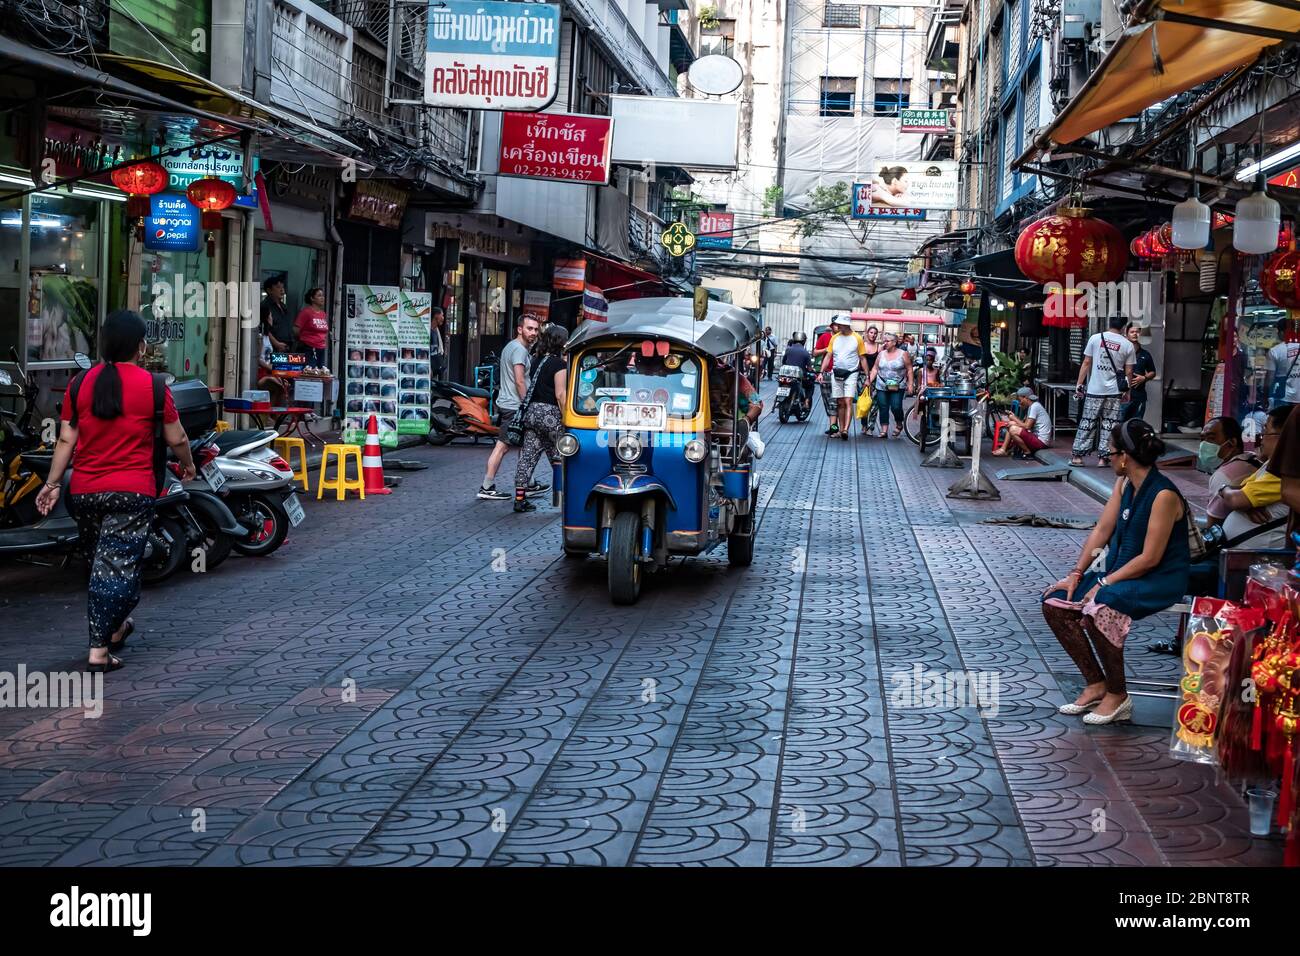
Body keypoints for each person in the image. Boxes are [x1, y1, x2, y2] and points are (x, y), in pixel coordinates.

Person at [34, 311, 197, 673]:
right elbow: (177, 437)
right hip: (132, 491)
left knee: (100, 566)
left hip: (86, 492)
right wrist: (187, 465)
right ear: (140, 347)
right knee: (119, 569)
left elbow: (66, 438)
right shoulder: (153, 386)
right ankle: (99, 651)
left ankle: (115, 628)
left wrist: (53, 483)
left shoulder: (81, 384)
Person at [1042, 419, 1190, 724]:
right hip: (1121, 574)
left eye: (1110, 453)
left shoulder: (1164, 495)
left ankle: (1118, 694)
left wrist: (1105, 583)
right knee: (1055, 602)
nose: (1108, 459)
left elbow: (1150, 559)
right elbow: (1102, 530)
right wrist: (1076, 573)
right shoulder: (1125, 484)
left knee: (1101, 606)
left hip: (1158, 579)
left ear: (1124, 457)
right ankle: (1096, 684)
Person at [478, 315, 546, 501]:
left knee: (526, 445)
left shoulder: (512, 347)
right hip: (514, 406)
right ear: (519, 329)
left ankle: (528, 484)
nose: (533, 333)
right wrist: (526, 405)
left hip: (511, 404)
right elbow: (519, 380)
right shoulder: (519, 350)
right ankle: (486, 486)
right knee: (502, 447)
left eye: (535, 329)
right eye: (529, 328)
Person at [512, 325, 568, 514]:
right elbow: (560, 394)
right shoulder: (559, 364)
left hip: (532, 412)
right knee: (563, 453)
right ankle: (563, 497)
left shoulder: (536, 360)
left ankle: (519, 499)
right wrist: (567, 416)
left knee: (528, 456)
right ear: (561, 342)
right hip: (550, 413)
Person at [1070, 315, 1135, 467]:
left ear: (1108, 324)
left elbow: (1086, 362)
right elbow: (1129, 371)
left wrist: (1079, 384)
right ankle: (1103, 459)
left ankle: (1078, 457)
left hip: (1094, 390)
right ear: (1124, 328)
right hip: (1114, 392)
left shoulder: (1095, 338)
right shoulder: (1127, 345)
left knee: (1087, 422)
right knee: (1110, 425)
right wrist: (1128, 391)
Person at [816, 316, 867, 440]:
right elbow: (828, 356)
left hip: (852, 372)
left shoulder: (857, 338)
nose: (838, 326)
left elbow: (862, 358)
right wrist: (821, 372)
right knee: (839, 402)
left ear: (846, 325)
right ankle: (840, 428)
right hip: (836, 373)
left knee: (848, 401)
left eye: (840, 324)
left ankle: (845, 430)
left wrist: (867, 376)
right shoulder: (835, 338)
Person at [869, 331, 914, 439]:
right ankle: (884, 430)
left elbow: (909, 369)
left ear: (894, 342)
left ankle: (899, 424)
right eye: (884, 341)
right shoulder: (881, 354)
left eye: (887, 341)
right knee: (883, 406)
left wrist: (911, 384)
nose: (885, 343)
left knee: (896, 406)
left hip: (898, 385)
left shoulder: (903, 354)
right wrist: (869, 380)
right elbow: (875, 368)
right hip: (882, 384)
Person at [993, 385, 1052, 458]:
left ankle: (1027, 453)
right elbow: (1024, 424)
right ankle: (1003, 449)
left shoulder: (1034, 407)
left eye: (1020, 400)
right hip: (1037, 438)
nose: (1019, 402)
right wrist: (1014, 419)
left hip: (1041, 442)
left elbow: (1027, 426)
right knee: (1012, 425)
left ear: (1026, 398)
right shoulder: (1032, 406)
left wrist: (1014, 418)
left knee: (1013, 429)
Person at [1121, 323, 1157, 422]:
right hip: (1122, 397)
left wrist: (1144, 378)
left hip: (1139, 397)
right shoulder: (1121, 352)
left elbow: (1153, 372)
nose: (1135, 334)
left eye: (1137, 332)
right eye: (1132, 332)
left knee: (1136, 425)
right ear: (1126, 334)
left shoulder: (1145, 354)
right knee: (1119, 425)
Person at [294, 287, 329, 370]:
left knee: (320, 372)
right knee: (309, 372)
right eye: (319, 296)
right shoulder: (306, 312)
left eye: (323, 296)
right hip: (309, 348)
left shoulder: (323, 314)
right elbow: (296, 329)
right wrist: (304, 339)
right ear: (312, 298)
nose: (322, 298)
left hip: (321, 349)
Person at [1269, 318, 1300, 408]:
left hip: (1283, 398)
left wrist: (1266, 395)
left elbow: (1270, 378)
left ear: (1282, 332)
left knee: (1282, 422)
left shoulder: (1275, 351)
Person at [260, 276, 293, 352]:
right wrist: (276, 343)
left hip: (287, 346)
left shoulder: (284, 306)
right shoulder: (264, 306)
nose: (282, 290)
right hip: (272, 346)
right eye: (278, 287)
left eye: (283, 287)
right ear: (269, 290)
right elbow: (264, 329)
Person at [429, 306, 447, 380]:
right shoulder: (428, 330)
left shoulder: (436, 330)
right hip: (429, 368)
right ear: (436, 316)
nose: (443, 318)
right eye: (442, 315)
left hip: (435, 367)